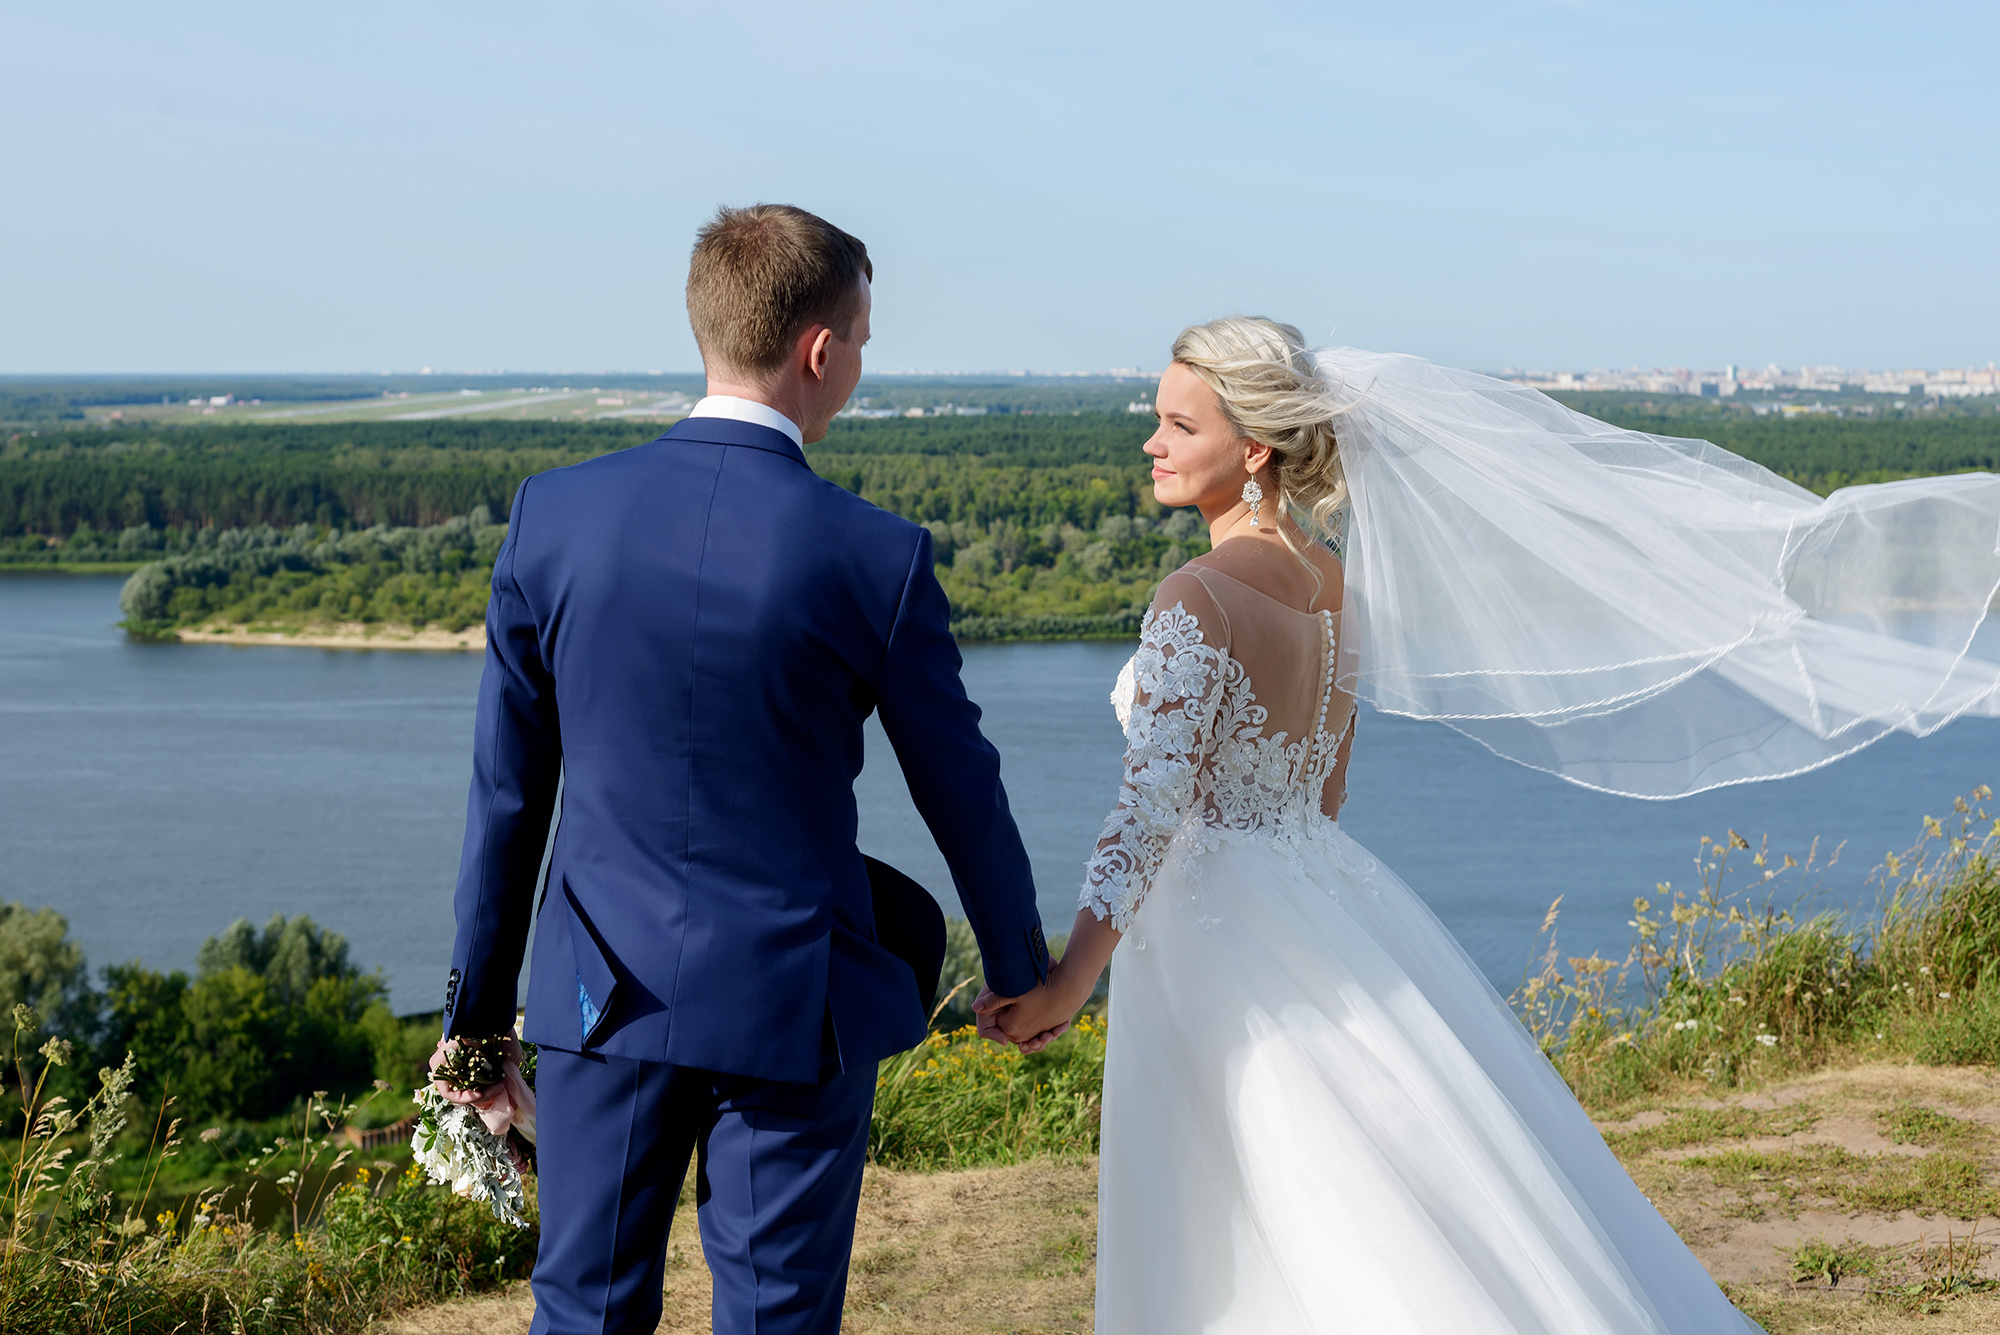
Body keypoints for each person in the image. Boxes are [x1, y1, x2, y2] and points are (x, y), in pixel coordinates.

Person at [976, 315, 1999, 1332]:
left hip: (1213, 928)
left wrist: (1070, 980)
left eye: (1175, 424)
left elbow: (1145, 814)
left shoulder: (1192, 597)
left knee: (1250, 1187)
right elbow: (1324, 794)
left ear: (1250, 449)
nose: (1149, 443)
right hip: (1318, 892)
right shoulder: (1334, 586)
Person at [441, 203, 1055, 1335]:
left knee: (581, 1313)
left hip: (599, 998)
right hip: (791, 1002)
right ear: (818, 350)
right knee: (776, 1319)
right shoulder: (878, 556)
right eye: (861, 343)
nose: (858, 366)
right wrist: (1021, 970)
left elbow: (507, 795)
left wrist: (476, 1027)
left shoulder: (552, 517)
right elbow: (958, 785)